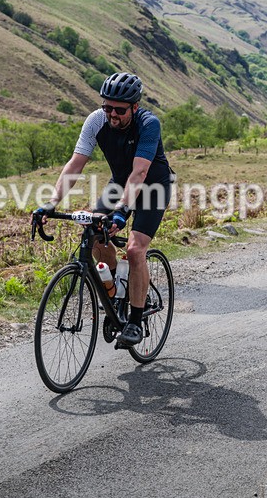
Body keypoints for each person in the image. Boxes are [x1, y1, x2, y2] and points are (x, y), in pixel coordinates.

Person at [36, 72, 173, 347]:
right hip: (119, 185)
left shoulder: (149, 124)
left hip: (153, 186)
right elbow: (75, 165)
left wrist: (123, 210)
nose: (112, 114)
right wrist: (51, 203)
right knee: (94, 232)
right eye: (106, 107)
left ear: (134, 107)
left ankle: (135, 320)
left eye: (119, 110)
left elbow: (140, 172)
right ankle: (113, 293)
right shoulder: (96, 121)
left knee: (135, 250)